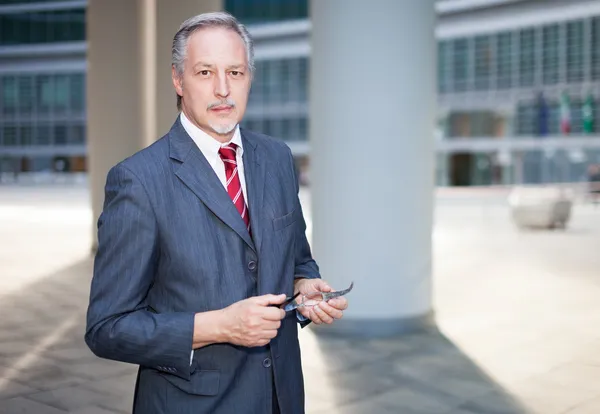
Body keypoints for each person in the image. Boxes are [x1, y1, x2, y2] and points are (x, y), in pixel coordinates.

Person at [85, 11, 348, 414]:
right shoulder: (138, 180)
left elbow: (298, 258)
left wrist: (304, 287)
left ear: (249, 78)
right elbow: (107, 329)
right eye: (205, 72)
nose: (223, 89)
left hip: (282, 398)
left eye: (236, 73)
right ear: (178, 79)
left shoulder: (277, 158)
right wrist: (219, 326)